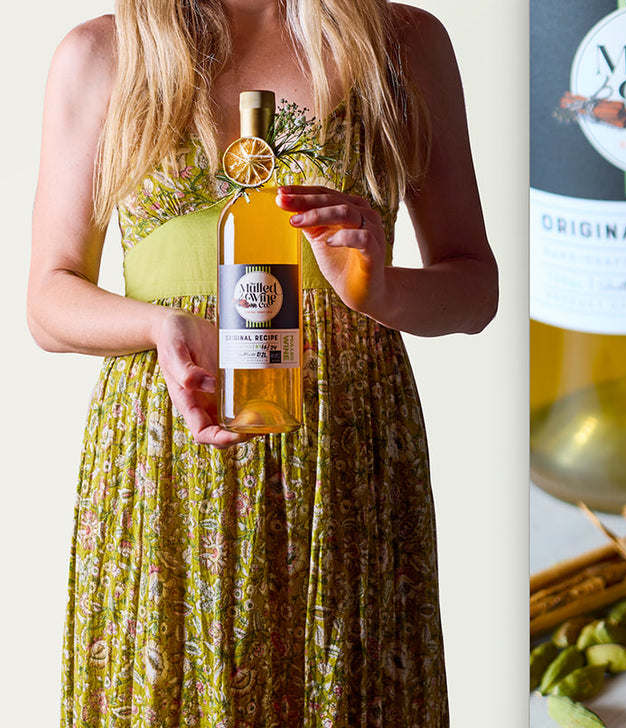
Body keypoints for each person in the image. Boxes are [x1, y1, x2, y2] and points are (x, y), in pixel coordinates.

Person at [26, 0, 498, 724]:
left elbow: (474, 290)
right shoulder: (102, 53)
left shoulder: (402, 44)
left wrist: (380, 285)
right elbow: (48, 302)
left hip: (346, 452)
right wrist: (162, 326)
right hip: (166, 453)